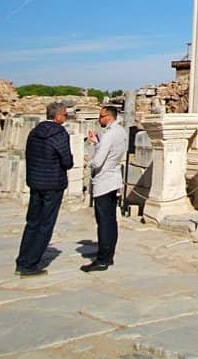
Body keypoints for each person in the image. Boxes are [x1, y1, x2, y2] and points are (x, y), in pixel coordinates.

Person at [14, 101, 74, 277]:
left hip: (36, 182)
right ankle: (30, 264)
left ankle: (22, 259)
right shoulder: (59, 133)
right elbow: (67, 161)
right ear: (57, 116)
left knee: (32, 222)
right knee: (45, 224)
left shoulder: (34, 132)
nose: (66, 117)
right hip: (53, 183)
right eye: (65, 115)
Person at [83, 105, 127, 272]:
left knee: (103, 221)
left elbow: (99, 161)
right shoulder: (120, 132)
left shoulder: (109, 134)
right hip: (114, 178)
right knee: (110, 220)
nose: (98, 119)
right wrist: (97, 143)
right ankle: (108, 254)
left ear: (108, 117)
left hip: (104, 181)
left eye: (100, 116)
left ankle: (102, 259)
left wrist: (90, 163)